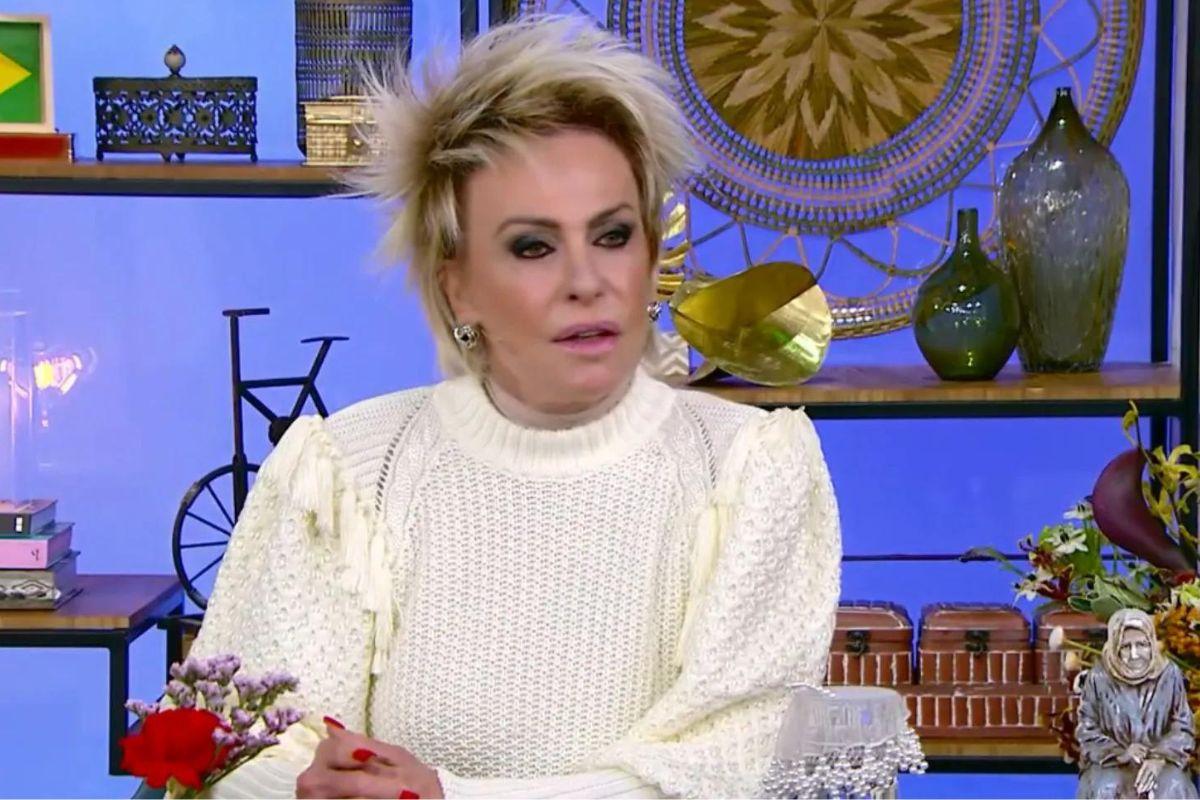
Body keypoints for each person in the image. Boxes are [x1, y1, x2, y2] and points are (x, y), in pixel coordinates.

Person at [185, 14, 842, 799]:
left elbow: (741, 765)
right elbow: (229, 750)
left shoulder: (751, 467)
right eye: (534, 246)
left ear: (651, 257)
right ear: (457, 284)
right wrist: (308, 784)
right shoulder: (347, 471)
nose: (586, 281)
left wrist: (452, 797)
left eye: (613, 236)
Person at [1076, 608, 1198, 799]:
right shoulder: (1098, 678)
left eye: (1141, 645)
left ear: (1151, 643)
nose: (1134, 655)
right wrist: (1121, 753)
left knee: (1173, 786)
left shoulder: (1169, 675)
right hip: (1111, 763)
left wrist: (1159, 758)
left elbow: (1183, 727)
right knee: (1106, 788)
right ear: (1115, 646)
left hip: (1162, 761)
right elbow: (1087, 730)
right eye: (1125, 646)